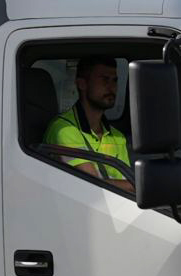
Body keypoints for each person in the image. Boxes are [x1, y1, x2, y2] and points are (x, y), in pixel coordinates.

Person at [45, 56, 132, 193]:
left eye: (114, 80)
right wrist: (135, 185)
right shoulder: (64, 129)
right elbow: (91, 184)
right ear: (82, 84)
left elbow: (129, 184)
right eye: (104, 80)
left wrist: (133, 185)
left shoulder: (118, 136)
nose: (112, 87)